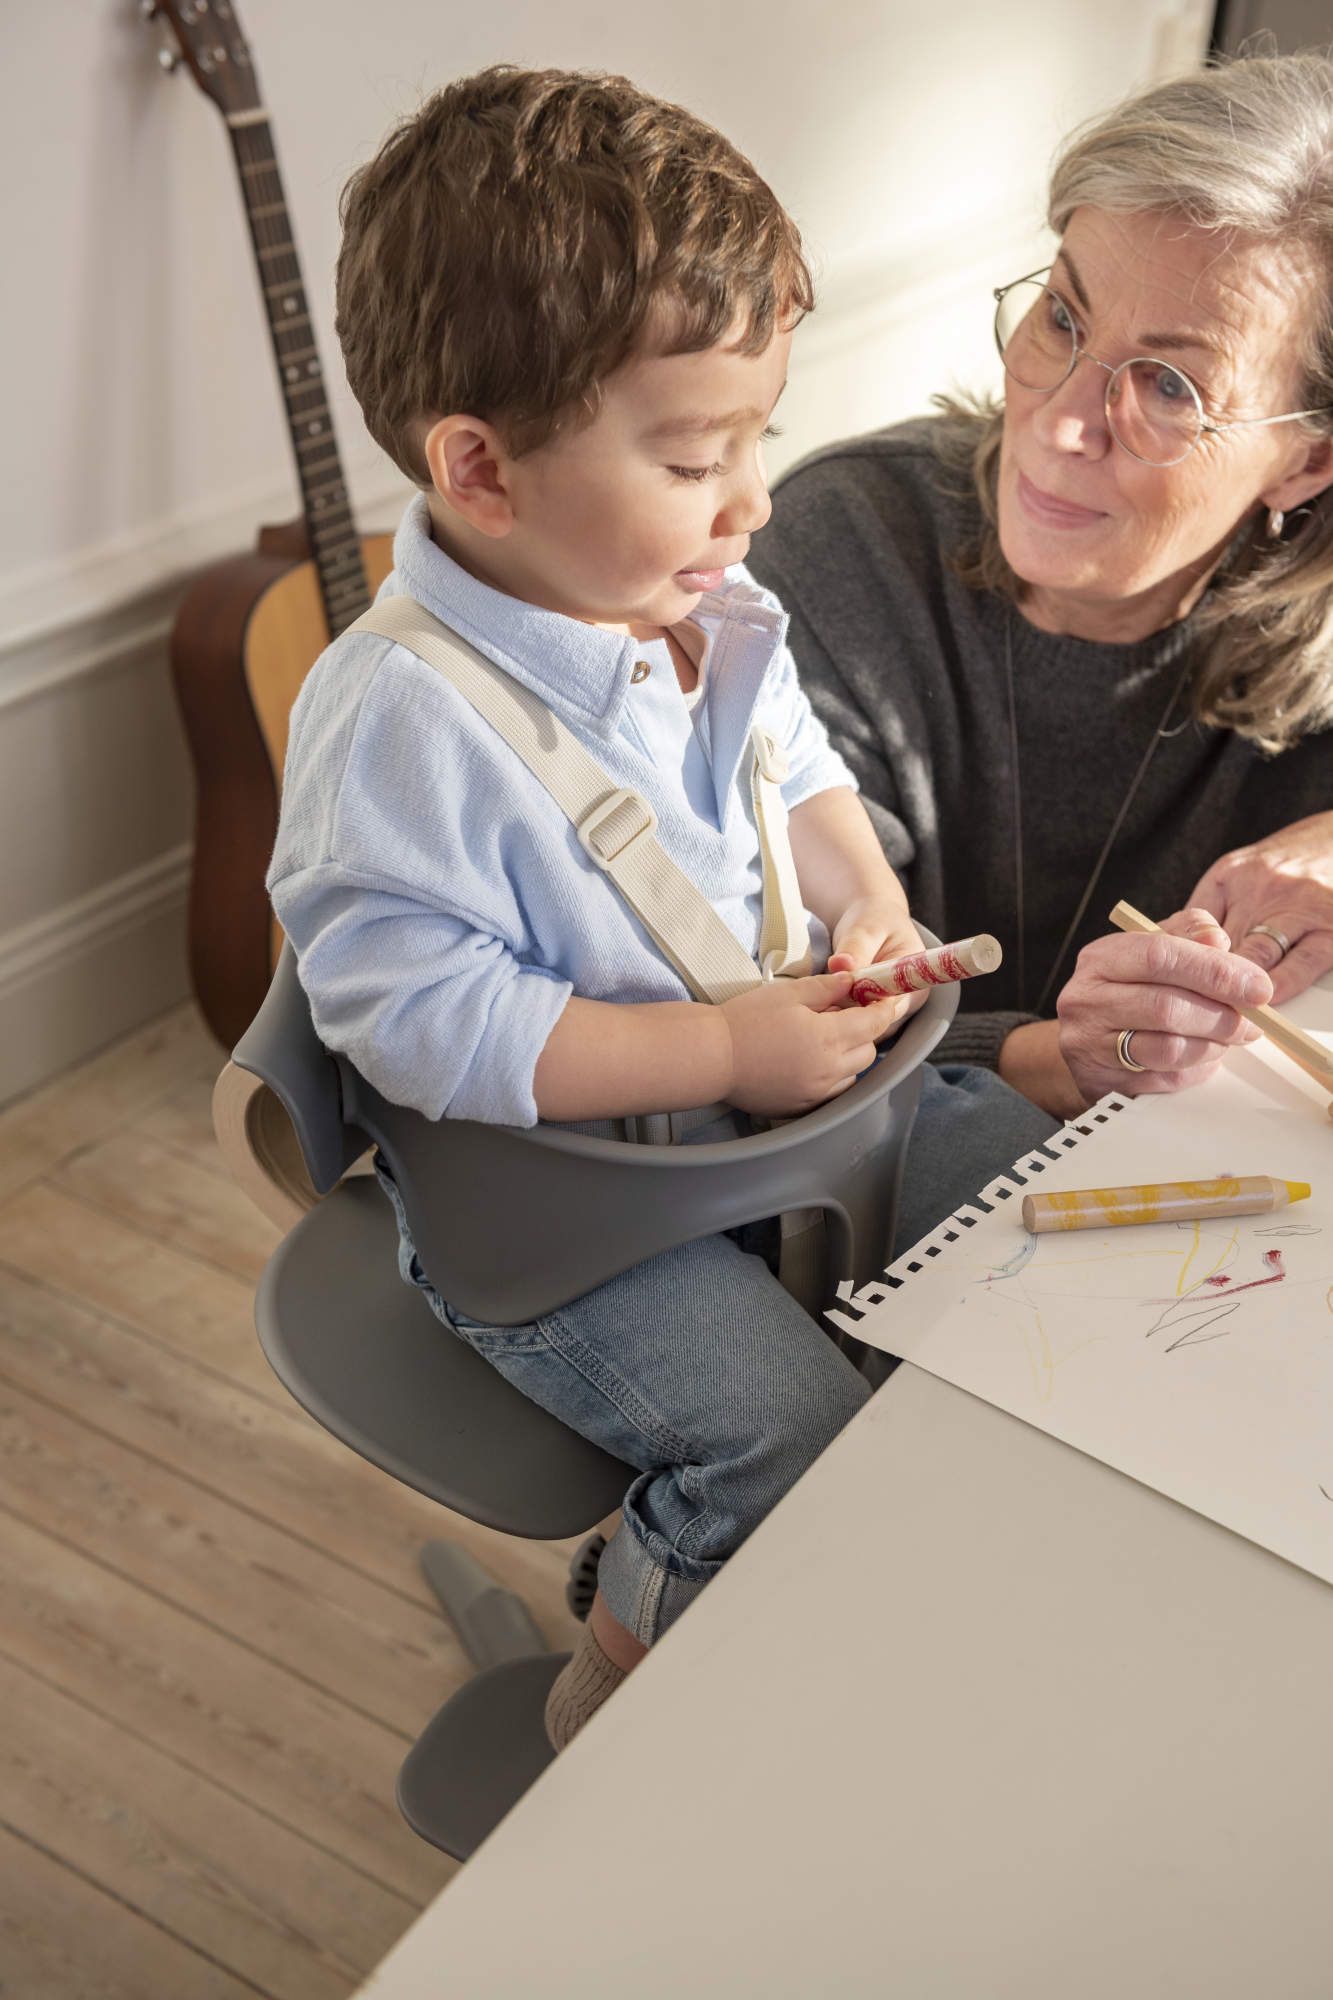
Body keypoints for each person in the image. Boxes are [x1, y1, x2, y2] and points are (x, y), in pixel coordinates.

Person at [266, 67, 1055, 1748]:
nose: (752, 497)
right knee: (778, 1439)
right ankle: (621, 1706)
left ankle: (857, 1587)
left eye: (754, 436)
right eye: (697, 455)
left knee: (1031, 1228)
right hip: (568, 1209)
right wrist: (720, 1052)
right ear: (480, 469)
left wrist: (863, 904)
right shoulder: (397, 718)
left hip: (773, 1118)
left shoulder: (700, 590)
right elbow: (413, 1021)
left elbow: (798, 768)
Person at [750, 51, 1333, 1122]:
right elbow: (764, 1039)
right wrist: (1048, 1059)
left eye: (1168, 386)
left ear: (1306, 462)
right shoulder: (844, 548)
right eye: (1062, 316)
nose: (1060, 422)